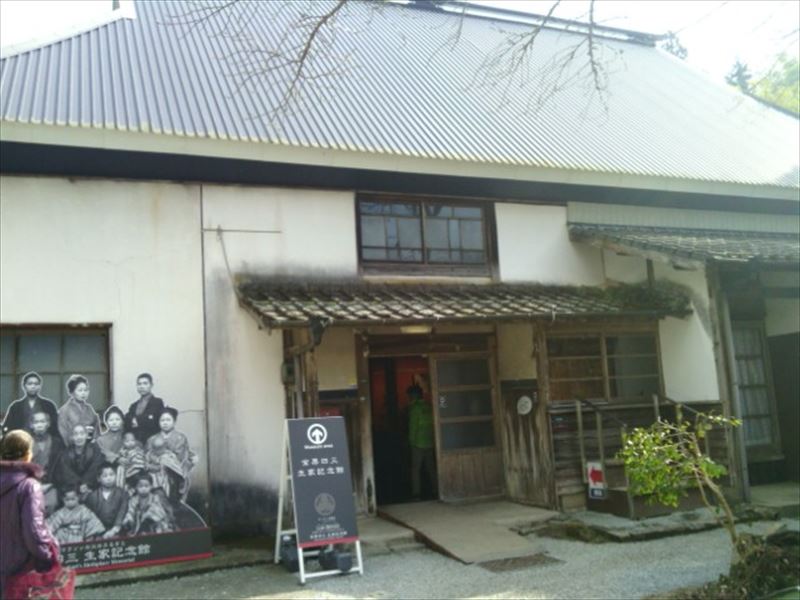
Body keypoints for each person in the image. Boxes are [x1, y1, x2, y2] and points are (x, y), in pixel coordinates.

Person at [0, 429, 59, 596]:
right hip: (20, 570)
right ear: (27, 454)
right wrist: (49, 555)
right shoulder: (29, 486)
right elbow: (34, 531)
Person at [145, 407, 197, 503]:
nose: (165, 423)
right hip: (154, 470)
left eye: (168, 420)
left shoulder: (180, 438)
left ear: (174, 421)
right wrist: (154, 463)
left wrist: (165, 460)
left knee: (172, 482)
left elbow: (180, 457)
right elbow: (148, 455)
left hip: (173, 472)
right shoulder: (152, 439)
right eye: (162, 420)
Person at [52, 424, 105, 498]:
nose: (79, 437)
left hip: (91, 486)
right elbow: (66, 473)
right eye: (76, 434)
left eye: (82, 434)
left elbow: (95, 468)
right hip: (72, 488)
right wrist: (79, 486)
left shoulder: (95, 450)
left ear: (86, 435)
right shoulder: (65, 453)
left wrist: (86, 483)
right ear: (72, 437)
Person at [1, 372, 59, 436]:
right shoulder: (15, 406)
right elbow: (8, 427)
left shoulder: (49, 405)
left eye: (36, 384)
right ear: (24, 386)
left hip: (44, 440)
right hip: (21, 440)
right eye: (30, 384)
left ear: (40, 386)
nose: (33, 386)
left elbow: (55, 427)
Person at [407, 374, 436, 500]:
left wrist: (410, 442)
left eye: (409, 396)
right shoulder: (429, 406)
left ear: (413, 396)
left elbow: (413, 427)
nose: (408, 398)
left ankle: (416, 494)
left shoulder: (414, 409)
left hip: (418, 443)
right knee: (431, 468)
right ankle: (436, 489)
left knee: (416, 469)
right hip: (430, 442)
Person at [84, 464, 128, 539]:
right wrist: (98, 530)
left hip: (117, 530)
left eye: (111, 475)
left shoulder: (122, 494)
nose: (109, 478)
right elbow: (90, 516)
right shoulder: (92, 496)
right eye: (105, 476)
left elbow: (122, 512)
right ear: (98, 479)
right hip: (97, 531)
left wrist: (114, 529)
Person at [57, 375, 101, 446]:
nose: (83, 393)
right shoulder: (64, 410)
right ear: (72, 392)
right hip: (71, 447)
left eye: (85, 390)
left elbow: (96, 430)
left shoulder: (89, 408)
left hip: (89, 446)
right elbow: (63, 433)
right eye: (80, 390)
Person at [124, 373, 166, 445]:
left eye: (145, 383)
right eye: (139, 384)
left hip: (152, 441)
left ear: (151, 385)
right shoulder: (133, 405)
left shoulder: (157, 402)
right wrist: (142, 420)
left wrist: (136, 421)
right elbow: (127, 421)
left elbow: (154, 422)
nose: (142, 386)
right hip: (135, 443)